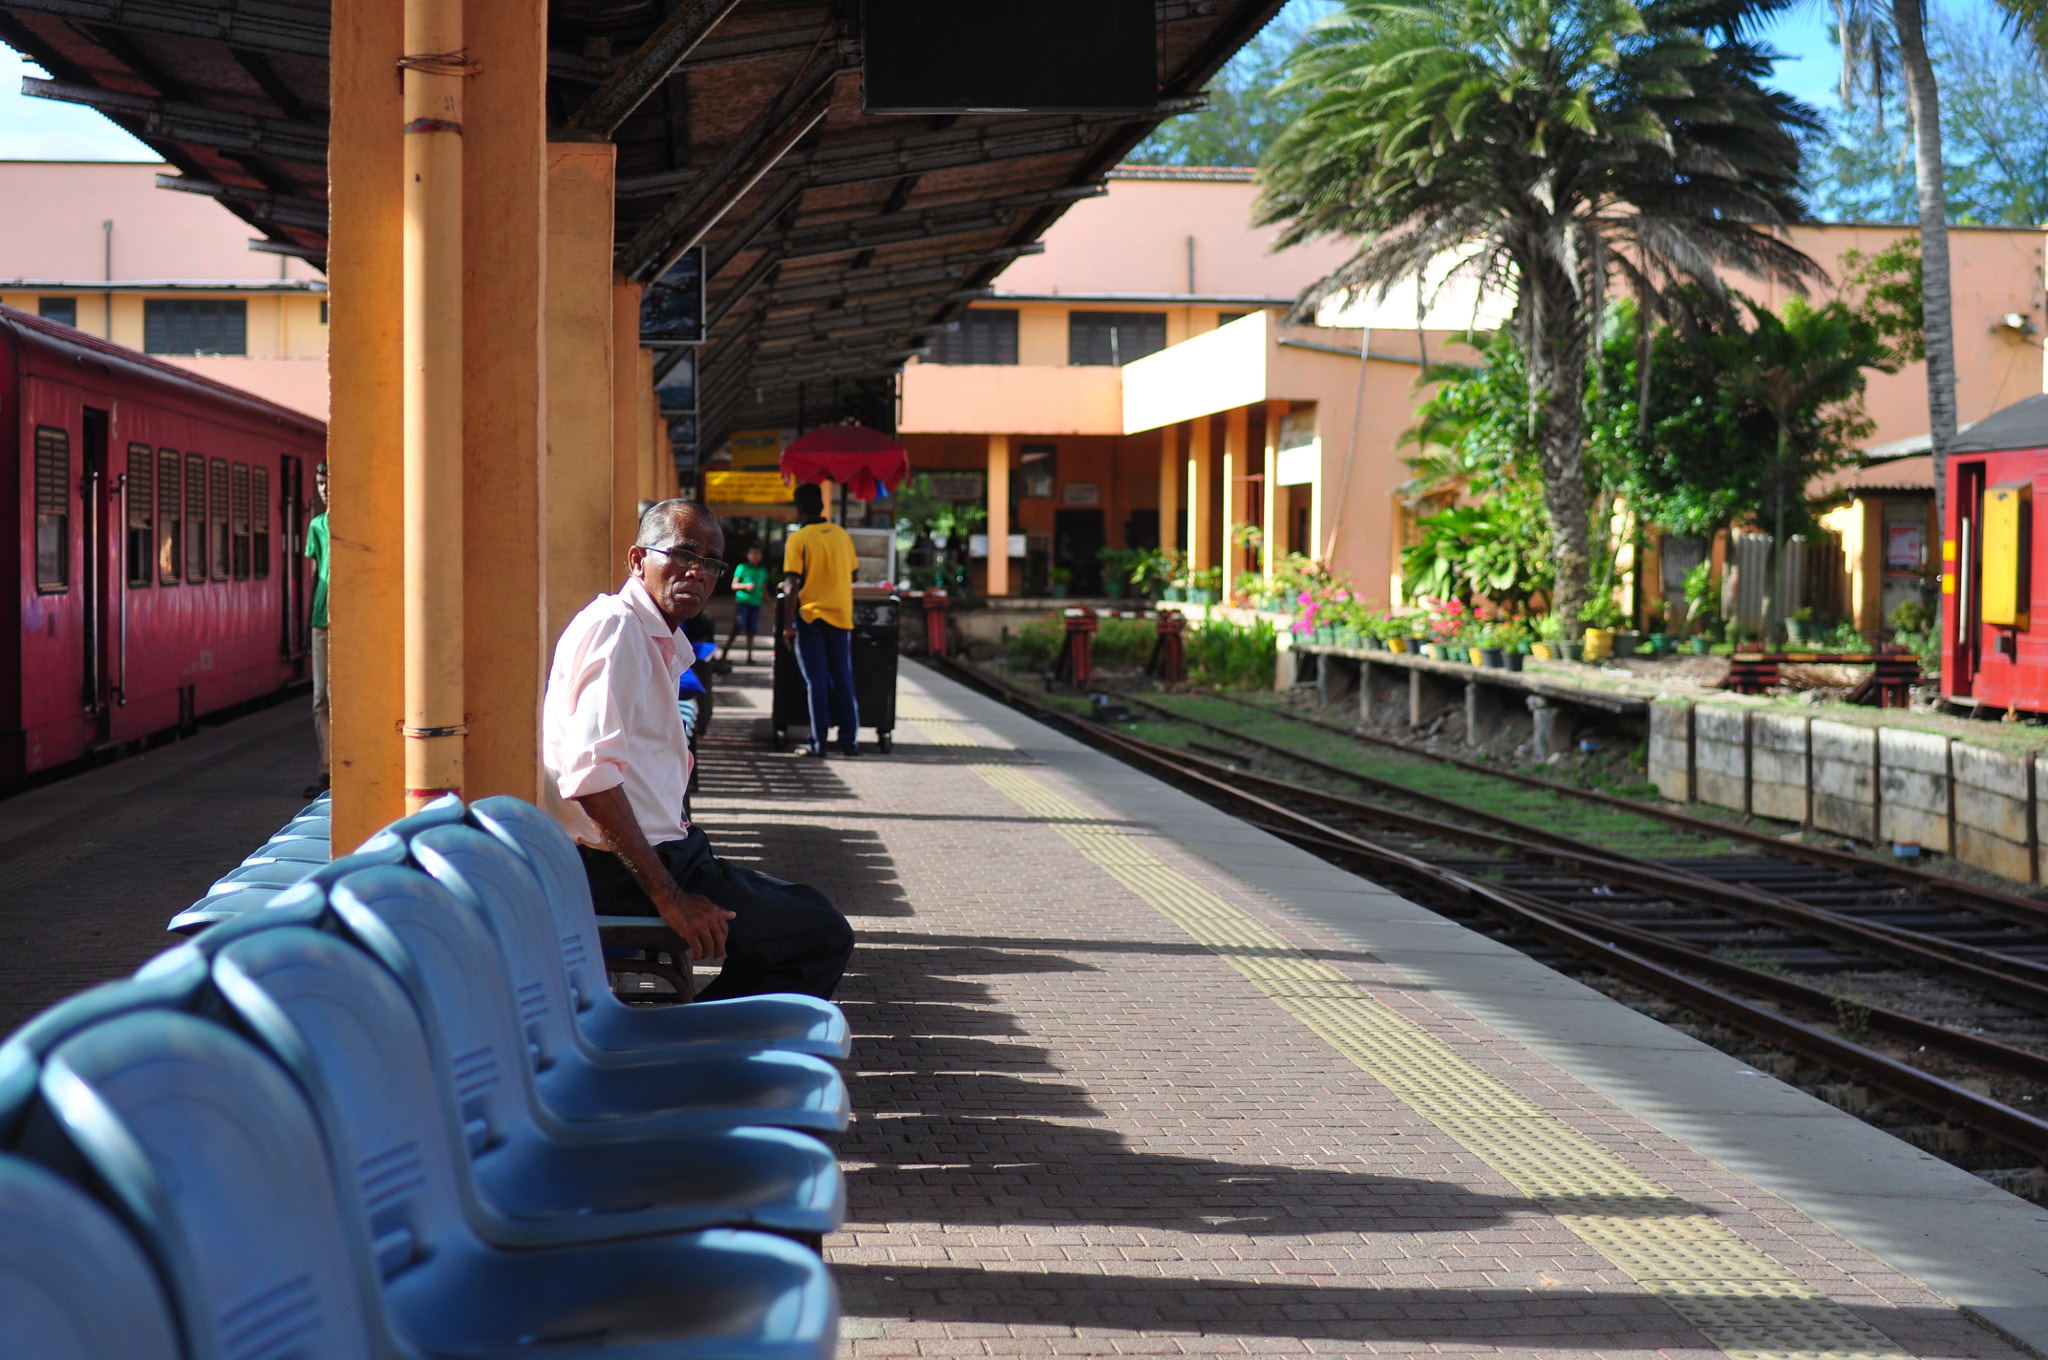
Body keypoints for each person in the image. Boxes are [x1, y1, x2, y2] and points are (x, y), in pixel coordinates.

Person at [542, 498, 854, 1001]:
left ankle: (694, 1040)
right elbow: (589, 775)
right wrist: (670, 897)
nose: (697, 571)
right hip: (617, 869)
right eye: (683, 553)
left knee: (802, 913)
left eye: (711, 562)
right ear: (638, 559)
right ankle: (693, 1046)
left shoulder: (652, 637)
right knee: (818, 935)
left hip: (666, 854)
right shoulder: (617, 628)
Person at [781, 483, 861, 757]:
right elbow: (854, 574)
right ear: (821, 506)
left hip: (811, 617)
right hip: (841, 616)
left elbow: (791, 584)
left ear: (799, 509)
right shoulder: (841, 535)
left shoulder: (798, 539)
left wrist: (787, 626)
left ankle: (819, 743)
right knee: (842, 678)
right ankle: (849, 741)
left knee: (816, 681)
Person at [303, 460, 331, 801]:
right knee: (320, 697)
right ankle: (327, 770)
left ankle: (345, 765)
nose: (325, 489)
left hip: (345, 620)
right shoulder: (316, 527)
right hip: (321, 619)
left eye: (329, 482)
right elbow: (315, 574)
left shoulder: (348, 523)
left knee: (340, 698)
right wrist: (309, 616)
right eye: (321, 483)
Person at [723, 543, 767, 664]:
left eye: (758, 554)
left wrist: (771, 607)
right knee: (738, 627)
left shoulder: (762, 571)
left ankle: (750, 656)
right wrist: (745, 586)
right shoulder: (742, 567)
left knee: (752, 630)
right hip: (743, 602)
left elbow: (764, 589)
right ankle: (724, 652)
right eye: (753, 554)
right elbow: (734, 585)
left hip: (755, 603)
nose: (755, 556)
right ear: (748, 555)